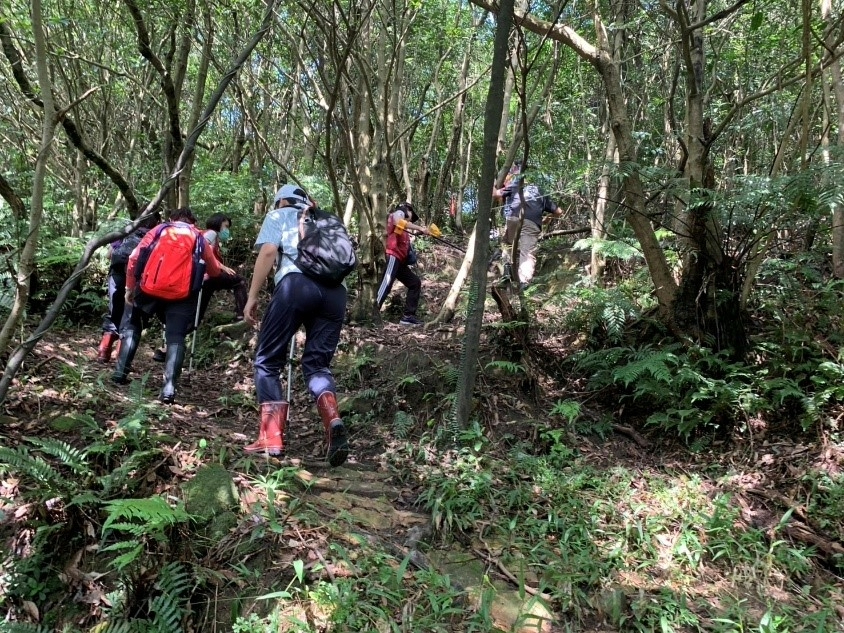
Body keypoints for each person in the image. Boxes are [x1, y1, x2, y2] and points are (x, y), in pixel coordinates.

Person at [243, 183, 349, 467]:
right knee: (317, 365)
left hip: (295, 285)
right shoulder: (328, 221)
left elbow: (267, 252)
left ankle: (272, 436)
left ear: (281, 202)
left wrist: (252, 297)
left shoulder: (279, 215)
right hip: (336, 294)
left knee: (267, 361)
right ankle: (333, 420)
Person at [111, 207, 223, 404]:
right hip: (182, 295)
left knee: (133, 325)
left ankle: (120, 373)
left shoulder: (160, 230)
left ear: (172, 219)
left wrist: (130, 286)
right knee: (176, 337)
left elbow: (134, 257)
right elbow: (213, 270)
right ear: (193, 222)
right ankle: (169, 389)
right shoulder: (198, 237)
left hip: (147, 288)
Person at [96, 211, 161, 363]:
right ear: (156, 222)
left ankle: (103, 352)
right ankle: (121, 359)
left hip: (116, 273)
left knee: (114, 311)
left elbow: (109, 254)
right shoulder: (155, 237)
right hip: (137, 279)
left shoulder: (127, 231)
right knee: (129, 316)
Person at [494, 163, 564, 289]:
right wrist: (548, 217)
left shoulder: (515, 183)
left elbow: (496, 194)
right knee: (527, 252)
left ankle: (507, 272)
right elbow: (559, 211)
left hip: (514, 217)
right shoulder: (540, 190)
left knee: (507, 244)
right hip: (532, 222)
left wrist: (493, 184)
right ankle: (524, 283)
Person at [375, 201, 432, 326]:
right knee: (386, 283)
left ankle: (408, 316)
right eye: (411, 214)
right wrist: (420, 227)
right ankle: (373, 311)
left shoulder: (404, 227)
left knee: (414, 283)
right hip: (393, 255)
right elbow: (398, 221)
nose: (412, 218)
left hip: (400, 261)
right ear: (407, 210)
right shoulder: (399, 213)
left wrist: (422, 231)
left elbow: (403, 229)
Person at [197, 213, 248, 324]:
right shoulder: (211, 233)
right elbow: (203, 251)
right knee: (240, 281)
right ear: (218, 223)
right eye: (225, 226)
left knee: (202, 301)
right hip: (208, 274)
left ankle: (193, 323)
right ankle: (242, 315)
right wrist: (222, 266)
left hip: (205, 276)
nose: (226, 230)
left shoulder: (209, 234)